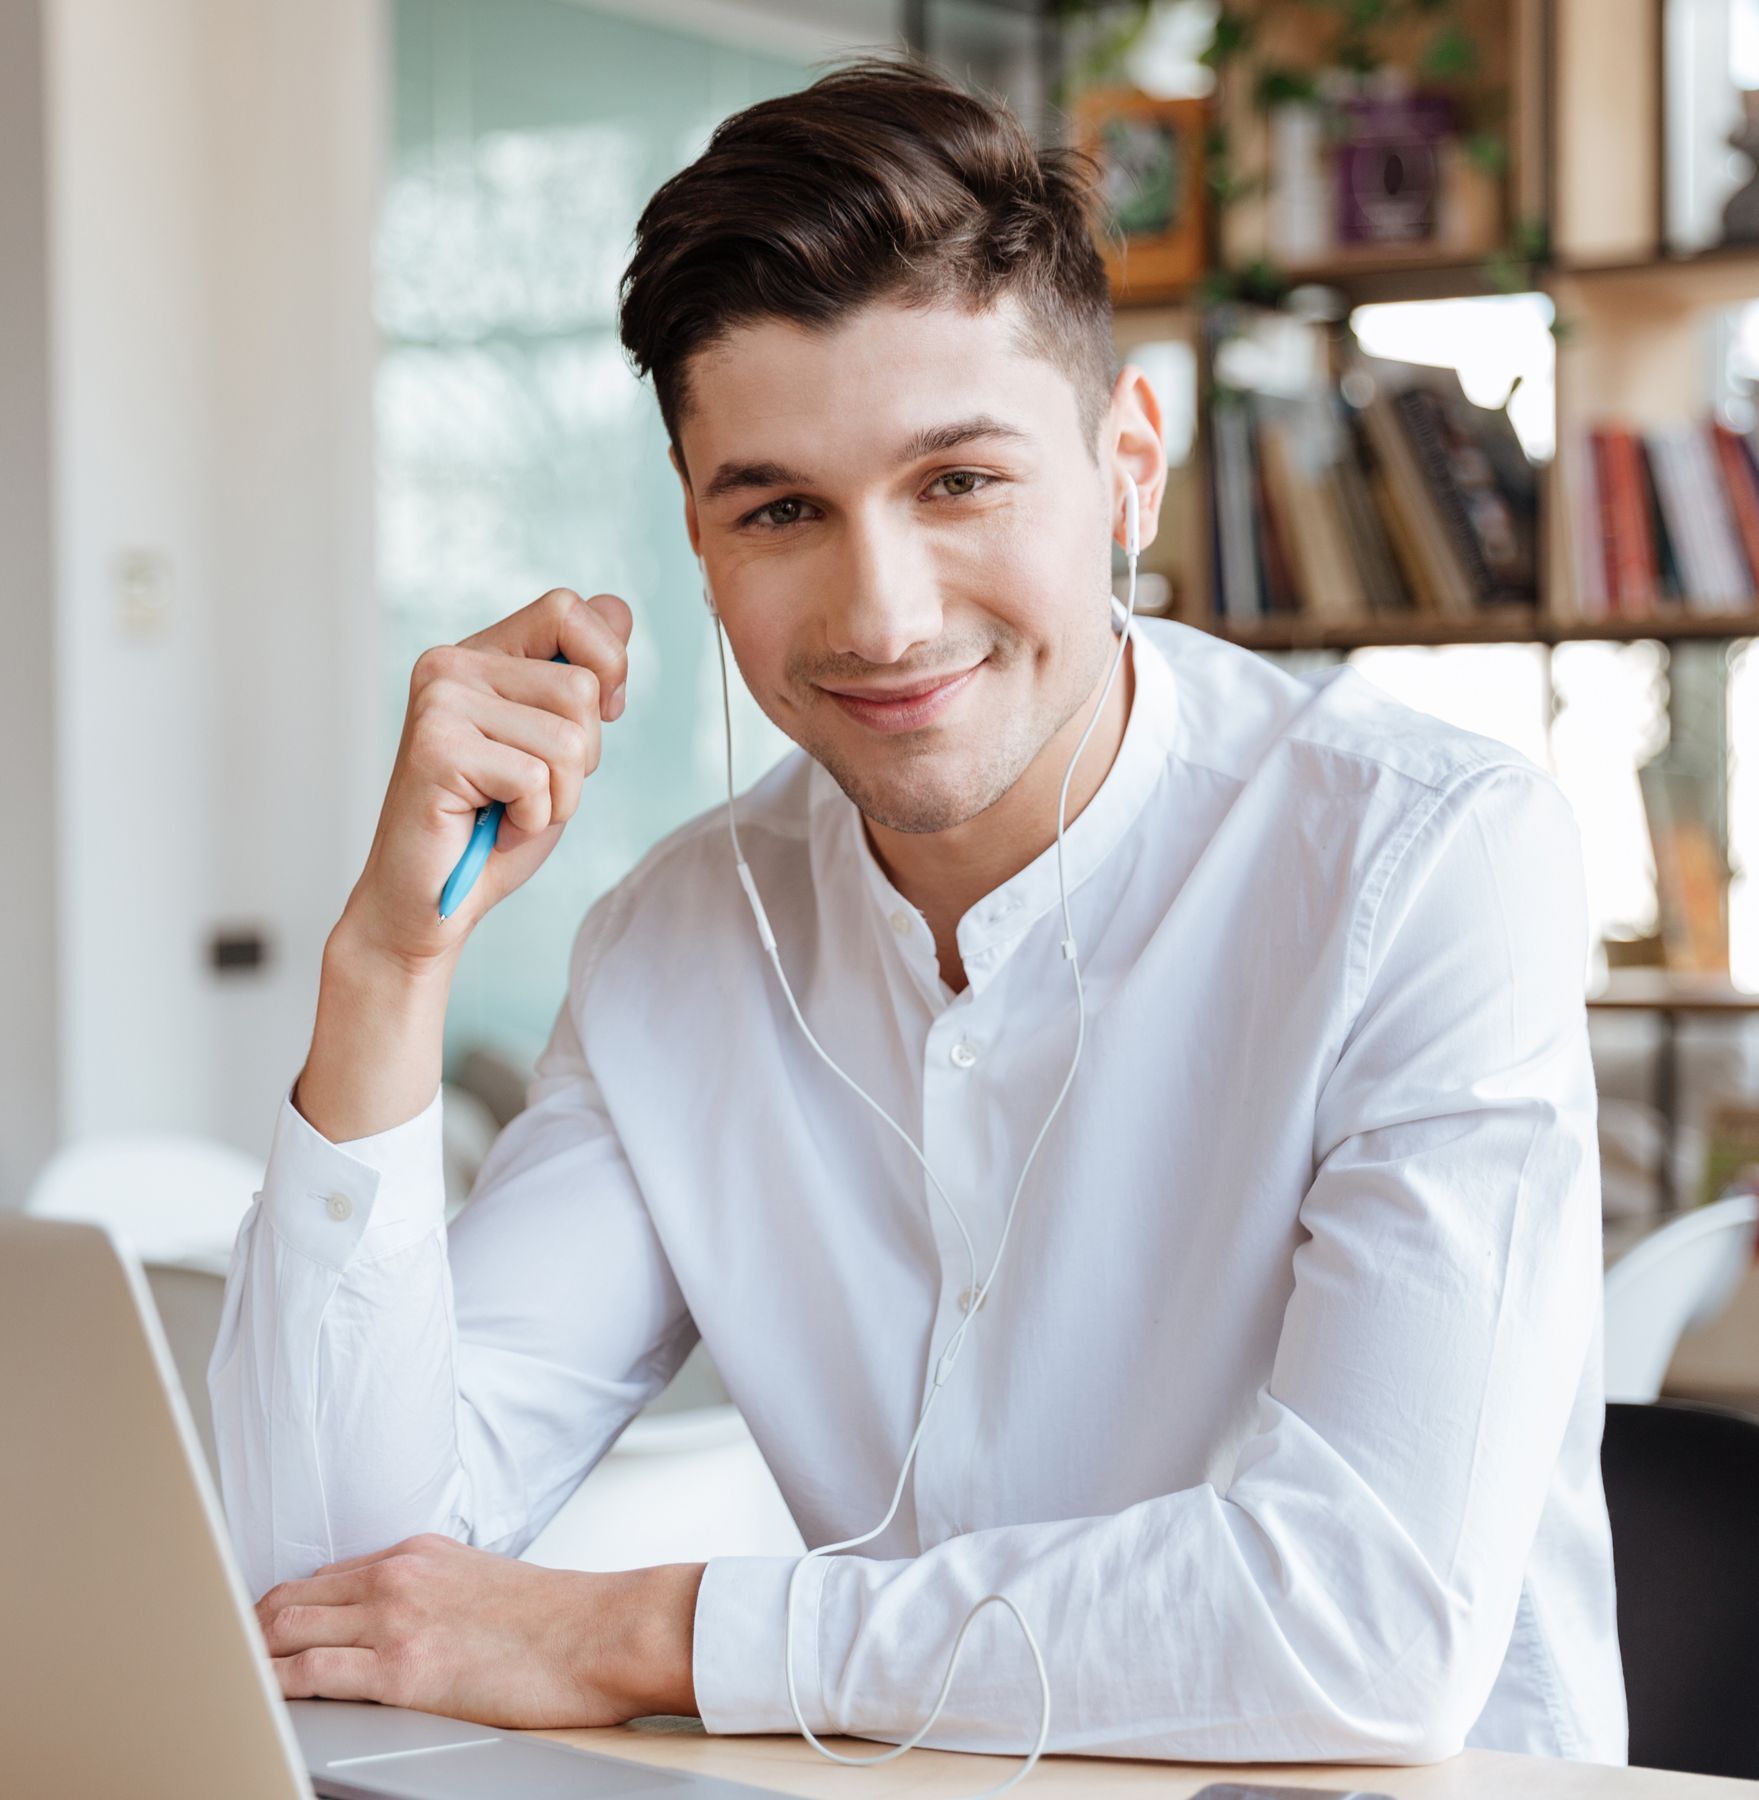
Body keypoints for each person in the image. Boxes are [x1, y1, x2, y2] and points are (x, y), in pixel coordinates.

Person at [209, 52, 1627, 1770]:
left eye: (958, 482)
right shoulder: (679, 937)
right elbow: (334, 1592)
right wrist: (387, 962)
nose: (881, 616)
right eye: (784, 509)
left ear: (1128, 467)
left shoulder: (1429, 860)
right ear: (698, 538)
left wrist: (637, 1632)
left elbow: (1363, 1624)